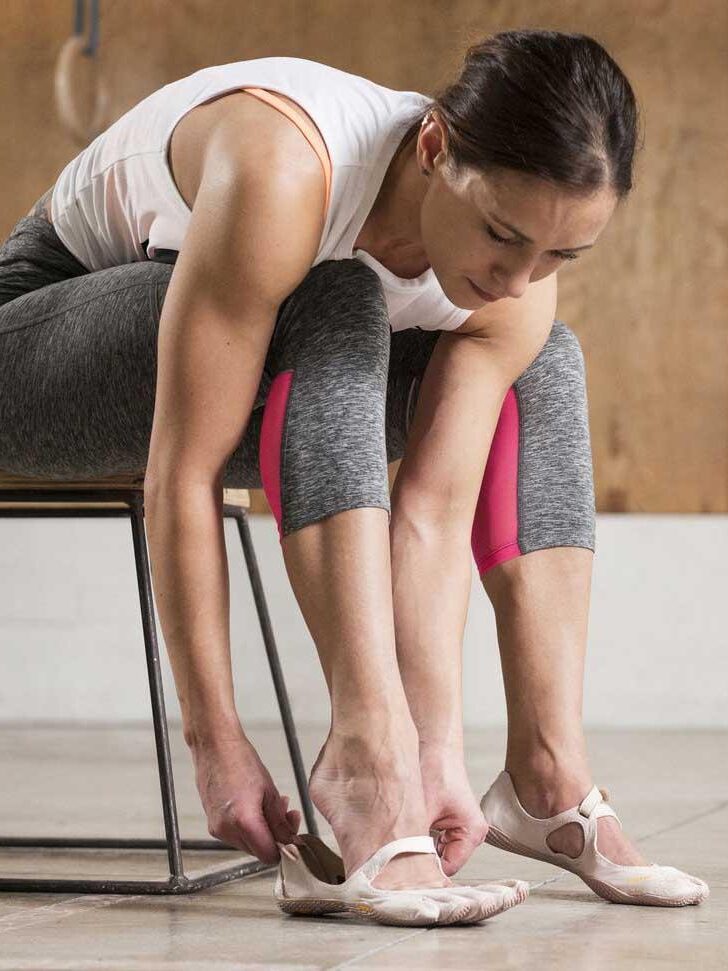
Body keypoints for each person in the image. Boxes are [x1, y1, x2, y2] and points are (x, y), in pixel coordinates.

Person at [0, 28, 707, 918]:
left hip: (245, 356)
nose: (520, 274)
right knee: (336, 294)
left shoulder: (519, 285)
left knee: (546, 357)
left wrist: (437, 750)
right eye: (502, 233)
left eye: (562, 254)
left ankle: (544, 775)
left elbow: (432, 515)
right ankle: (363, 761)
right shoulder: (288, 172)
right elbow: (183, 474)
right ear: (434, 147)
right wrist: (216, 743)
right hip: (28, 347)